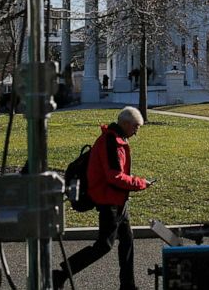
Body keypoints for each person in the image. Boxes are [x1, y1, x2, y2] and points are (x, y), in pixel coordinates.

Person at [53, 106, 152, 290]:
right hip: (109, 201)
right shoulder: (111, 141)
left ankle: (127, 285)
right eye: (135, 127)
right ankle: (61, 274)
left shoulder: (116, 139)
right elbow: (113, 176)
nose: (136, 132)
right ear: (125, 123)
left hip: (118, 201)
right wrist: (139, 183)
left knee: (127, 240)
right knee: (104, 245)